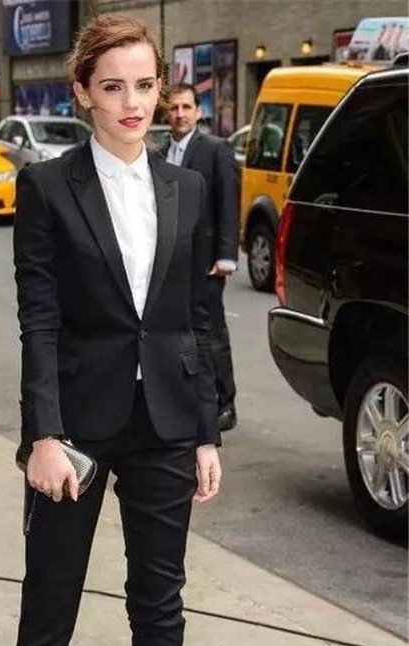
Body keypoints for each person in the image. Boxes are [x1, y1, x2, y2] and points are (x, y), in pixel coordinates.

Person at [8, 13, 222, 646]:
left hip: (166, 423)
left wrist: (207, 431)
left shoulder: (187, 187)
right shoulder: (47, 186)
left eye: (145, 84)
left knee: (159, 612)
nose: (133, 102)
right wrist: (42, 433)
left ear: (161, 90)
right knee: (49, 614)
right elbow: (38, 320)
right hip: (77, 432)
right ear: (83, 93)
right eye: (113, 86)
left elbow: (198, 319)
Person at [162, 84, 240, 432]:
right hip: (171, 262)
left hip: (206, 262)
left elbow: (228, 202)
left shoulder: (215, 150)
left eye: (186, 107)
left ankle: (225, 403)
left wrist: (226, 255)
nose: (180, 114)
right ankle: (187, 400)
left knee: (210, 335)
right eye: (174, 108)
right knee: (177, 332)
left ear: (198, 111)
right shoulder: (160, 152)